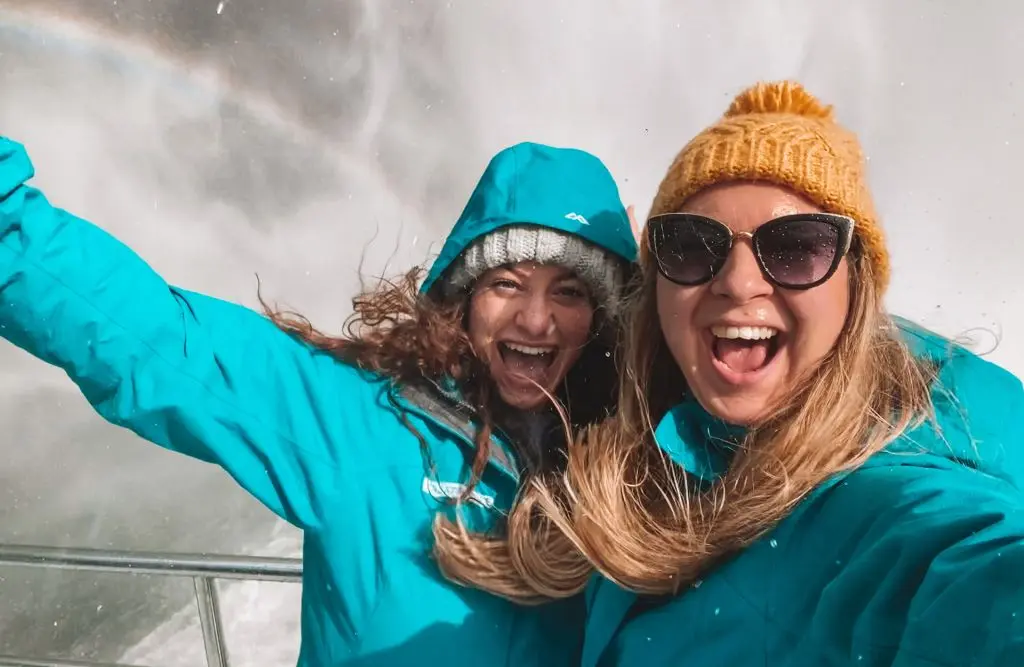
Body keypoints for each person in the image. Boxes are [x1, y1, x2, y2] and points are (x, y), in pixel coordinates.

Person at [0, 137, 638, 665]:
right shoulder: (364, 423)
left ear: (602, 317)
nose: (535, 320)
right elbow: (163, 345)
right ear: (465, 298)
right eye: (506, 283)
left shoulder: (636, 461)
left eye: (569, 293)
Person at [514, 81, 1023, 666]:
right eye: (689, 245)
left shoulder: (896, 490)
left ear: (856, 288)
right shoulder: (650, 448)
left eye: (796, 247)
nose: (736, 281)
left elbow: (973, 577)